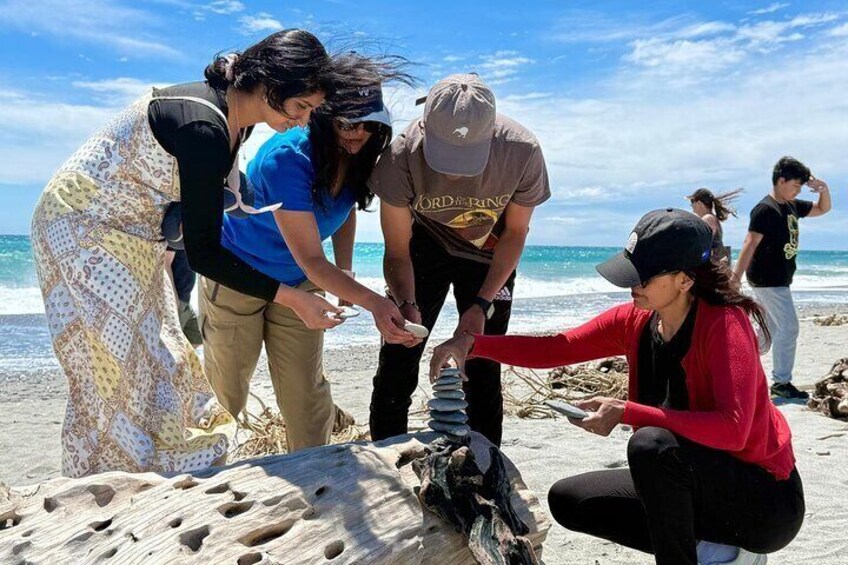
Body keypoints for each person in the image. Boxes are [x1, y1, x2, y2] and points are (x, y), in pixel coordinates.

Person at [30, 29, 352, 477]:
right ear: (271, 86)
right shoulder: (205, 128)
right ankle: (107, 487)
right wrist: (295, 297)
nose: (302, 121)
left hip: (131, 235)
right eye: (301, 107)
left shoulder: (234, 116)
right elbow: (204, 255)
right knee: (114, 369)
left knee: (158, 358)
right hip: (84, 228)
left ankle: (148, 474)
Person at [431, 209, 804, 565]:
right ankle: (719, 551)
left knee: (650, 445)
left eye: (644, 277)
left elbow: (734, 430)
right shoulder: (638, 321)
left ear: (685, 280)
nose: (632, 285)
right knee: (570, 500)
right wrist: (473, 345)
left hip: (765, 504)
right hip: (697, 484)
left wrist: (627, 411)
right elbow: (558, 347)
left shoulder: (724, 324)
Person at [201, 58, 415, 452]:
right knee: (226, 390)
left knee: (306, 391)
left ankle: (317, 473)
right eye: (347, 122)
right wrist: (372, 301)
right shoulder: (287, 158)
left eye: (369, 123)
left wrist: (346, 273)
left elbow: (343, 210)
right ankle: (204, 479)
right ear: (323, 116)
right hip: (240, 273)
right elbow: (312, 261)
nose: (358, 133)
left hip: (300, 280)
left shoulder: (358, 156)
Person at [367, 73, 551, 446]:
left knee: (483, 362)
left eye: (465, 158)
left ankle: (486, 465)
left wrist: (482, 304)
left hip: (488, 251)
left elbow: (515, 234)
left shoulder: (522, 150)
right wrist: (405, 301)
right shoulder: (402, 153)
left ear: (491, 132)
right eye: (445, 155)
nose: (452, 171)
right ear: (425, 125)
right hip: (425, 248)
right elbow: (398, 249)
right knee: (399, 357)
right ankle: (387, 457)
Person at [733, 156, 832, 400]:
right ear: (781, 180)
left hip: (778, 279)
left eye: (800, 186)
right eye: (795, 185)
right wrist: (735, 277)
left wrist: (823, 189)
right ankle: (781, 383)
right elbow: (749, 243)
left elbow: (823, 208)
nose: (798, 190)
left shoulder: (792, 205)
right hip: (768, 280)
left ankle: (735, 367)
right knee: (789, 328)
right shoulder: (765, 208)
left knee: (769, 331)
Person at [686, 187, 743, 265]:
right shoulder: (711, 218)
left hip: (714, 265)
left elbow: (701, 242)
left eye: (692, 202)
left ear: (699, 203)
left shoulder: (708, 218)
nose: (691, 205)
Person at [165, 248, 202, 348]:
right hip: (177, 299)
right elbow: (165, 264)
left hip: (185, 299)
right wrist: (173, 300)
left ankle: (186, 362)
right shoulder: (172, 234)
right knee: (173, 347)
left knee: (197, 338)